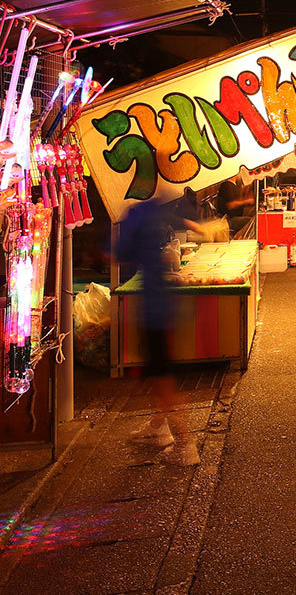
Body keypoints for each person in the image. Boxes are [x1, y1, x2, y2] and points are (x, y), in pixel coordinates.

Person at [121, 199, 199, 466]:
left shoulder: (137, 213)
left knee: (163, 378)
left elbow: (118, 253)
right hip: (162, 305)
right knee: (159, 374)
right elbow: (182, 222)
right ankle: (158, 427)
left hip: (156, 309)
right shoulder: (155, 208)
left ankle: (185, 444)